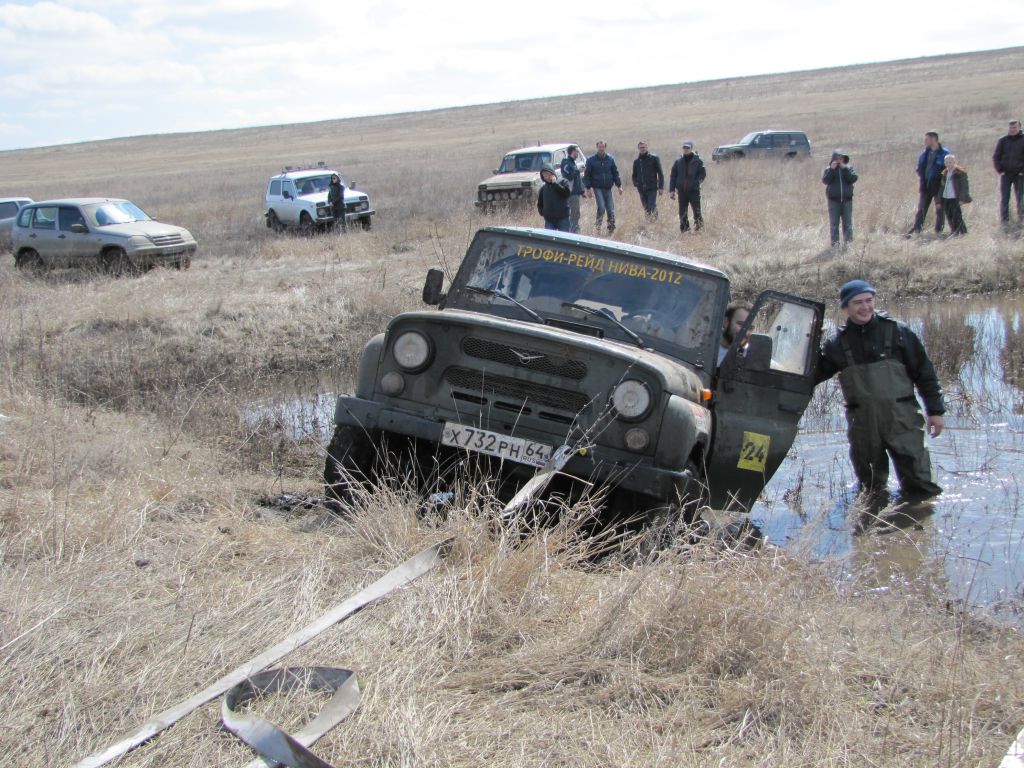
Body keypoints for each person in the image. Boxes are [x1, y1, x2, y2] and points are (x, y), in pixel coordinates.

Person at [815, 279, 944, 504]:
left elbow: (925, 373)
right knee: (871, 489)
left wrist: (935, 411)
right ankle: (874, 520)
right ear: (845, 307)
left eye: (869, 300)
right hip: (863, 424)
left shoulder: (898, 332)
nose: (865, 307)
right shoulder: (837, 343)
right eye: (858, 302)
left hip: (902, 419)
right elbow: (812, 375)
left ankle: (920, 519)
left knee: (922, 487)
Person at [907, 131, 951, 236]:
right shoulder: (924, 153)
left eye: (926, 139)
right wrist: (920, 173)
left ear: (933, 139)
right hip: (925, 185)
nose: (925, 141)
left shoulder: (944, 153)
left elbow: (949, 168)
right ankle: (917, 230)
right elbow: (919, 167)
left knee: (939, 209)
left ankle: (938, 231)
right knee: (921, 209)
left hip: (939, 185)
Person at [583, 141, 623, 234]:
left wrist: (619, 186)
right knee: (601, 207)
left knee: (610, 209)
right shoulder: (591, 160)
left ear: (605, 147)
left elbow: (615, 173)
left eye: (603, 147)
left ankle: (611, 229)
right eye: (599, 147)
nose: (601, 149)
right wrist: (588, 188)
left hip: (608, 187)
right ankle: (598, 227)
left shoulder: (610, 159)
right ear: (597, 147)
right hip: (597, 187)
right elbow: (587, 175)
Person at [822, 149, 858, 247]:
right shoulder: (828, 169)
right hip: (834, 201)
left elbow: (854, 178)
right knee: (834, 224)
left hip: (847, 201)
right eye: (837, 158)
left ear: (844, 159)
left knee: (848, 223)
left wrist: (845, 169)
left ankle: (848, 243)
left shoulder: (848, 168)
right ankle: (835, 245)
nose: (839, 160)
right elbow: (825, 181)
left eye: (841, 158)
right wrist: (831, 170)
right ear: (833, 159)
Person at [669, 140, 706, 232]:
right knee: (682, 212)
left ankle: (699, 229)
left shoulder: (698, 161)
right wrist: (672, 190)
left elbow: (702, 174)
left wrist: (696, 183)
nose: (686, 149)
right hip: (682, 191)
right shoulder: (678, 162)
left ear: (691, 148)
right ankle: (685, 230)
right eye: (684, 147)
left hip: (694, 191)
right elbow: (673, 176)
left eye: (688, 147)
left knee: (697, 211)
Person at [992, 119, 1024, 227]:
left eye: (1015, 127)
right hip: (1006, 174)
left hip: (1020, 174)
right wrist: (1000, 170)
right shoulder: (1003, 140)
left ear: (1019, 127)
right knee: (1004, 198)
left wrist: (1022, 172)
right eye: (1011, 127)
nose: (1012, 129)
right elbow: (996, 156)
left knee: (1021, 198)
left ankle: (1021, 219)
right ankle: (1004, 221)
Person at [631, 141, 664, 220]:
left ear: (647, 147)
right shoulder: (637, 162)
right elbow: (634, 175)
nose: (642, 149)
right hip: (641, 188)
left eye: (644, 147)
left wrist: (661, 187)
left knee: (651, 205)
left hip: (652, 187)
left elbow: (660, 173)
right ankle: (649, 222)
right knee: (646, 207)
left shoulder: (654, 158)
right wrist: (636, 183)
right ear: (638, 148)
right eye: (641, 147)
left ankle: (654, 221)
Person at [940, 154, 971, 236]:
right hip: (946, 198)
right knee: (949, 216)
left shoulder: (960, 173)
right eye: (946, 162)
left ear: (954, 162)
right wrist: (940, 199)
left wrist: (962, 199)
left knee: (957, 216)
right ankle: (954, 232)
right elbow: (942, 187)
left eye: (950, 162)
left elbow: (964, 187)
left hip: (955, 198)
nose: (948, 164)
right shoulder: (944, 173)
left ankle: (963, 232)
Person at [536, 163, 572, 232]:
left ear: (552, 173)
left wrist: (555, 183)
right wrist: (543, 212)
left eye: (548, 174)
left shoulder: (563, 182)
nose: (547, 177)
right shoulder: (543, 188)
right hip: (549, 220)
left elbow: (567, 193)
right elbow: (540, 204)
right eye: (544, 176)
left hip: (563, 218)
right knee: (549, 238)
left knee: (564, 237)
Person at [560, 145, 587, 233]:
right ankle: (574, 232)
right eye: (577, 151)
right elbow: (568, 176)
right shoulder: (566, 163)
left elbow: (577, 180)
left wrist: (582, 191)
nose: (578, 153)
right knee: (574, 213)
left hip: (576, 192)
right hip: (571, 192)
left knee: (575, 213)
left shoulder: (573, 163)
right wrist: (578, 171)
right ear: (572, 152)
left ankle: (573, 230)